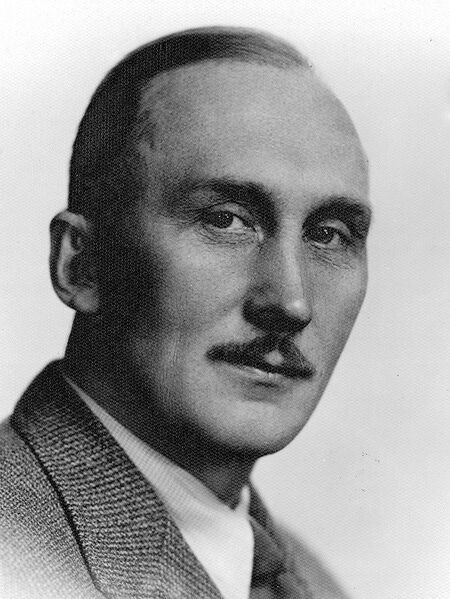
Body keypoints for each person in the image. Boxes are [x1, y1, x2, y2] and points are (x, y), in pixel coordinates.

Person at [0, 26, 371, 599]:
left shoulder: (307, 581)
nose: (291, 303)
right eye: (226, 220)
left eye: (329, 234)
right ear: (83, 265)